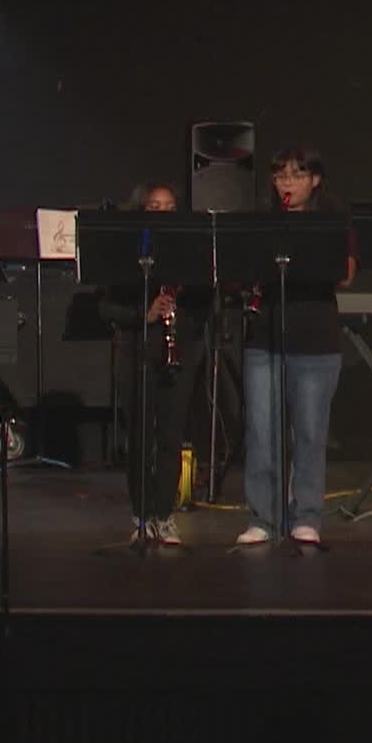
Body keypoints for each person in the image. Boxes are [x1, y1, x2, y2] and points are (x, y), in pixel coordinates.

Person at [235, 147, 356, 547]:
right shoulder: (262, 222)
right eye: (280, 176)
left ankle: (306, 516)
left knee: (309, 434)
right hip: (265, 337)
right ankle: (263, 517)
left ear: (315, 180)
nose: (286, 182)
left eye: (296, 175)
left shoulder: (332, 221)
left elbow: (346, 274)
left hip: (315, 338)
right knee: (261, 434)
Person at [103, 181, 211, 545]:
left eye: (169, 207)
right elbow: (106, 307)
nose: (163, 213)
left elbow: (206, 304)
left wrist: (184, 302)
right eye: (155, 206)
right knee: (139, 436)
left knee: (170, 436)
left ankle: (164, 515)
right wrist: (144, 314)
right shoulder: (126, 253)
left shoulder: (192, 253)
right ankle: (141, 514)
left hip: (180, 349)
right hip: (136, 348)